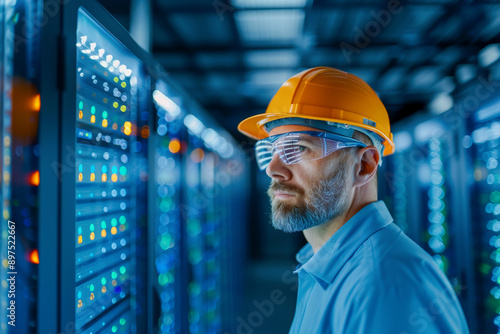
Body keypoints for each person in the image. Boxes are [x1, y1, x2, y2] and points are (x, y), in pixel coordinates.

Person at [237, 67, 469, 333]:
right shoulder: (326, 264)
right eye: (271, 149)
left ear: (364, 166)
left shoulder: (387, 285)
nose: (272, 169)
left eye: (298, 147)